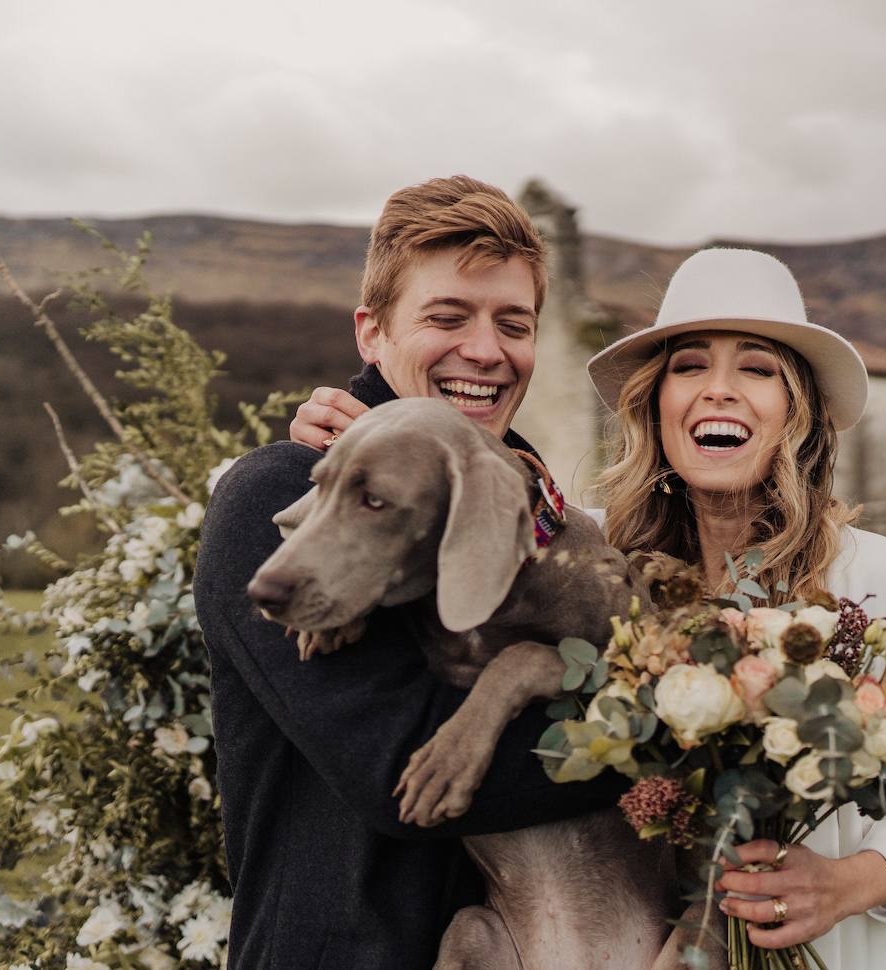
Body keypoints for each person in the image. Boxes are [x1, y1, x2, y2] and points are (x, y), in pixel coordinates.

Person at [293, 247, 886, 968]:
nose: (719, 390)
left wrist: (842, 885)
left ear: (799, 411)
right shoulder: (592, 553)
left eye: (757, 369)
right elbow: (456, 541)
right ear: (655, 404)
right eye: (689, 367)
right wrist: (361, 446)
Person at [193, 176, 624, 970]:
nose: (487, 350)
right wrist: (702, 730)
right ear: (371, 332)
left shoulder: (530, 512)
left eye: (513, 323)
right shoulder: (279, 496)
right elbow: (401, 768)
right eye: (447, 317)